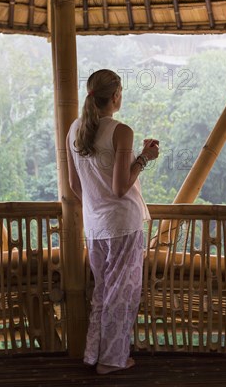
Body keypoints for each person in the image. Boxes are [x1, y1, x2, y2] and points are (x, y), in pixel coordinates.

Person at [66, 69, 159, 375]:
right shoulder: (121, 132)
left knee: (103, 291)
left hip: (95, 228)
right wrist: (144, 158)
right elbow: (121, 188)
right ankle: (111, 360)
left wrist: (97, 204)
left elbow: (74, 186)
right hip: (123, 226)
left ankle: (94, 353)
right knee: (122, 294)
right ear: (116, 95)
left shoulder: (75, 130)